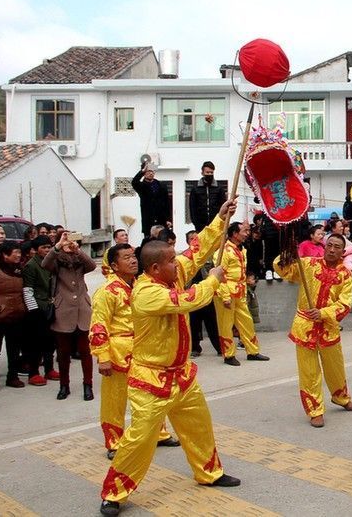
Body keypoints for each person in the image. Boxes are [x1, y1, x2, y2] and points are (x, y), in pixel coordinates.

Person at [98, 198, 241, 516]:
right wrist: (213, 279)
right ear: (155, 268)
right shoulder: (146, 292)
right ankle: (115, 492)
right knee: (139, 439)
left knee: (199, 426)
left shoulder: (171, 273)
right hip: (150, 379)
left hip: (182, 375)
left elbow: (197, 251)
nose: (179, 264)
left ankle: (209, 473)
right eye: (171, 262)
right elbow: (188, 299)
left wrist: (219, 219)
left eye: (176, 260)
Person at [89, 243, 181, 460]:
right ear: (113, 265)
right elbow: (98, 325)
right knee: (115, 401)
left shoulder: (141, 285)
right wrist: (103, 357)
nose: (132, 261)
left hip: (143, 352)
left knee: (151, 395)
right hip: (119, 353)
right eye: (126, 258)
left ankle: (159, 433)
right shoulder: (106, 292)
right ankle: (114, 441)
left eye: (133, 257)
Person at [273, 234, 352, 429]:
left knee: (335, 368)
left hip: (328, 329)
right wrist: (285, 256)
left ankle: (341, 398)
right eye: (329, 245)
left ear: (342, 252)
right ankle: (315, 410)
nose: (331, 249)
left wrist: (323, 313)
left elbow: (345, 305)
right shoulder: (308, 264)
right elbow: (283, 270)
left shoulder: (346, 275)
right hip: (305, 328)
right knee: (309, 373)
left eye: (336, 247)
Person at [42, 231, 96, 401]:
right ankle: (64, 385)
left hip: (82, 309)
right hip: (63, 309)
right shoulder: (56, 261)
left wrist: (78, 250)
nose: (68, 245)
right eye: (65, 242)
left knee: (85, 351)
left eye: (70, 241)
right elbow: (45, 264)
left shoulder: (80, 260)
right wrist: (58, 246)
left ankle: (88, 384)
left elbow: (92, 266)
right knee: (63, 352)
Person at [215, 222, 269, 366]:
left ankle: (252, 351)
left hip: (239, 291)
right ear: (234, 233)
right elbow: (219, 275)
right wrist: (225, 296)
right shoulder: (224, 250)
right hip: (226, 292)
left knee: (247, 322)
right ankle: (228, 355)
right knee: (226, 325)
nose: (247, 234)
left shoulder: (241, 249)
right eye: (244, 231)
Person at [0, 241, 27, 391]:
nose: (18, 255)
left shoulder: (19, 270)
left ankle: (13, 376)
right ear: (5, 255)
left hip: (16, 316)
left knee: (14, 349)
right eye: (15, 253)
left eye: (19, 252)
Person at [21, 236, 58, 384]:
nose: (47, 250)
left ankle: (49, 369)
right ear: (36, 250)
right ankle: (33, 372)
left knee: (50, 341)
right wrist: (34, 310)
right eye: (44, 247)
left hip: (51, 306)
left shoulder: (52, 263)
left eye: (49, 247)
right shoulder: (31, 266)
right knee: (35, 343)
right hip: (37, 308)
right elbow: (27, 290)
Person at [185, 231, 220, 358]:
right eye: (192, 238)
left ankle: (219, 347)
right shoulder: (184, 258)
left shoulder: (207, 255)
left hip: (206, 291)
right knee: (194, 323)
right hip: (191, 292)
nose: (195, 240)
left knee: (212, 321)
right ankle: (195, 348)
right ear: (188, 242)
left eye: (197, 238)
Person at [131, 162, 171, 236]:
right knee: (149, 241)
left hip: (161, 219)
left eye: (152, 171)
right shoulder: (141, 186)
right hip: (148, 220)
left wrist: (168, 219)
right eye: (148, 171)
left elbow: (167, 203)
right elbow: (134, 182)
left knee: (162, 240)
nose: (151, 173)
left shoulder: (161, 185)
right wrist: (142, 172)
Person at [189, 161, 227, 232]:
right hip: (200, 225)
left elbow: (223, 205)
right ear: (202, 173)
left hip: (216, 223)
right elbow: (192, 207)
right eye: (207, 172)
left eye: (211, 172)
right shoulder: (195, 189)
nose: (209, 174)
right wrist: (196, 223)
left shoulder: (219, 188)